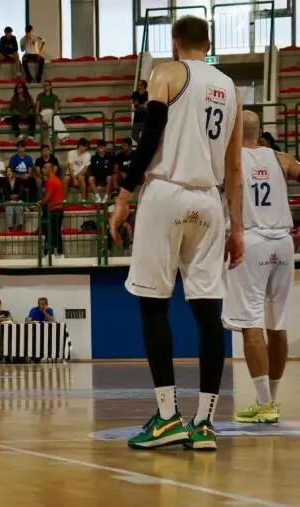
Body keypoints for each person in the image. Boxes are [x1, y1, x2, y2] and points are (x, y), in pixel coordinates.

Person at [109, 16, 243, 451]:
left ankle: (167, 416)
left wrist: (125, 194)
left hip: (167, 192)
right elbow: (236, 167)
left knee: (153, 304)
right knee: (208, 312)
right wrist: (237, 225)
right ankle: (204, 423)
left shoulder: (166, 71)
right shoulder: (231, 88)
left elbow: (150, 137)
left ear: (174, 42)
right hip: (210, 200)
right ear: (209, 43)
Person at [225, 111, 300, 424]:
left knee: (250, 323)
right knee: (277, 323)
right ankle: (267, 399)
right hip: (283, 243)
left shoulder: (229, 159)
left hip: (252, 241)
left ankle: (265, 404)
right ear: (260, 132)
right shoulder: (281, 159)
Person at [39, 162, 65, 258]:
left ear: (48, 169)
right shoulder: (56, 180)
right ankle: (56, 252)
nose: (42, 171)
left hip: (54, 211)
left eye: (44, 169)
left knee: (52, 232)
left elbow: (47, 197)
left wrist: (40, 203)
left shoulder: (51, 181)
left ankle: (54, 253)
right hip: (56, 210)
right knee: (55, 232)